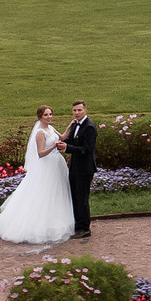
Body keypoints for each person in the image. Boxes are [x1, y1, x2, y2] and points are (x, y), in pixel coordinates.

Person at [0, 105, 74, 247]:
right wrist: (54, 147)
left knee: (57, 192)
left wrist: (70, 126)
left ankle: (56, 222)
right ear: (40, 117)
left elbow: (62, 137)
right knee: (44, 192)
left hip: (57, 164)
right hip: (47, 164)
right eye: (46, 115)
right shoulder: (40, 133)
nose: (49, 117)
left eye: (50, 114)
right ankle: (39, 225)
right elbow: (41, 153)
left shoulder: (51, 128)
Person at [65, 100, 98, 240]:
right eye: (74, 111)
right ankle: (78, 225)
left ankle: (84, 228)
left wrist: (66, 148)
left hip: (84, 169)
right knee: (75, 197)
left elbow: (86, 150)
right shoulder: (75, 125)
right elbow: (72, 142)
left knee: (82, 198)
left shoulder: (89, 127)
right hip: (74, 168)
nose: (77, 113)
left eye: (79, 110)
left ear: (85, 110)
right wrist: (61, 143)